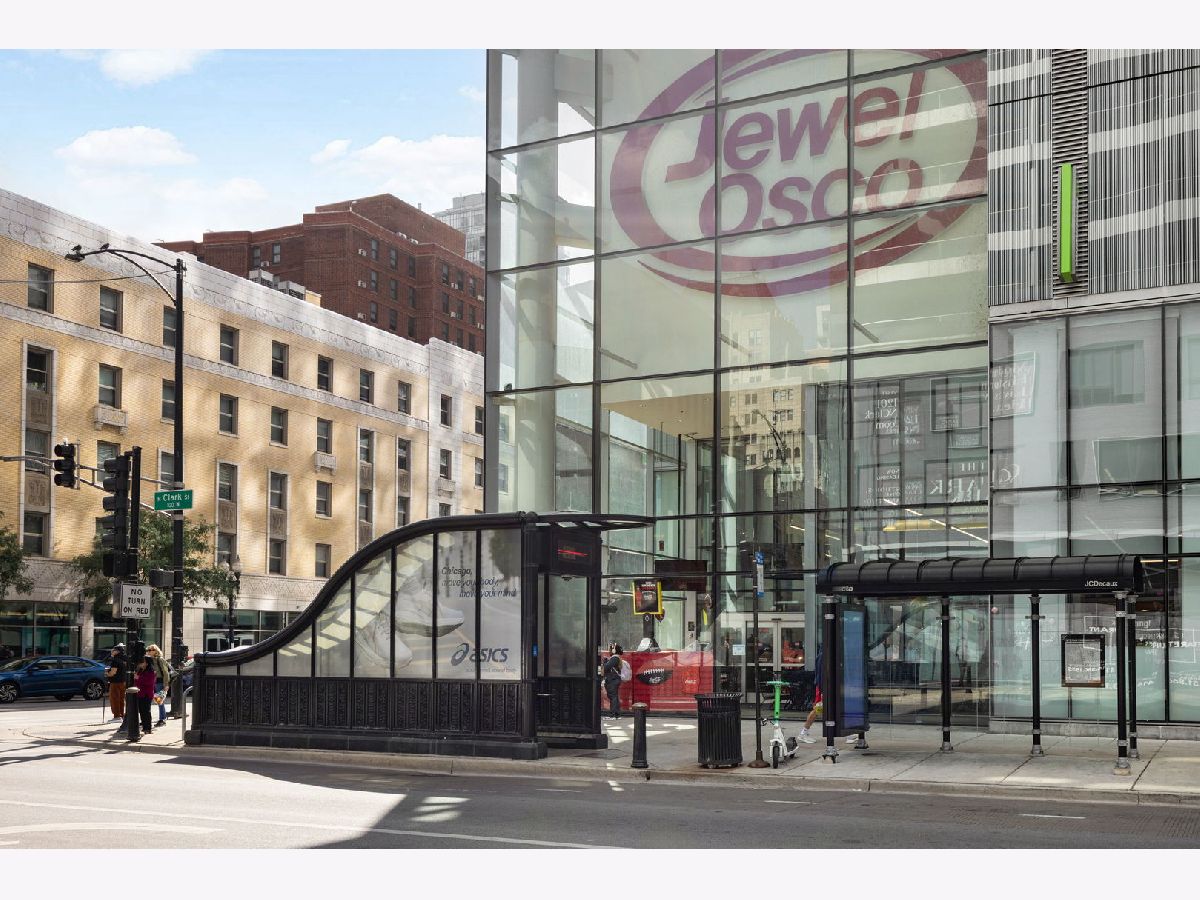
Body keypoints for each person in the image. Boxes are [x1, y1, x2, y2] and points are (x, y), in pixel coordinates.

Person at [145, 644, 171, 726]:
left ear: (155, 651)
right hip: (152, 682)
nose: (148, 652)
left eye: (150, 650)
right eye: (148, 650)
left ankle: (162, 719)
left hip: (159, 682)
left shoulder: (160, 659)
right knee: (154, 700)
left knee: (159, 701)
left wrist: (166, 684)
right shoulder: (149, 660)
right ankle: (149, 719)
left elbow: (166, 673)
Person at [131, 656, 156, 737]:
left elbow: (149, 682)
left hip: (147, 694)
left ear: (147, 663)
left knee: (146, 711)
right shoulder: (140, 670)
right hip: (140, 693)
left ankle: (148, 728)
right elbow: (136, 680)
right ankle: (144, 727)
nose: (141, 663)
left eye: (143, 662)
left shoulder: (151, 671)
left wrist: (138, 678)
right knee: (141, 711)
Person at [105, 644, 127, 723]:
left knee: (114, 699)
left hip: (115, 682)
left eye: (113, 650)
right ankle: (122, 715)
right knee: (121, 699)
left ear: (117, 651)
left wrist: (107, 673)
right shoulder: (125, 659)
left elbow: (113, 672)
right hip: (123, 681)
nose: (112, 651)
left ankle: (117, 716)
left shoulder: (115, 660)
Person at [601, 643, 624, 719]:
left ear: (614, 650)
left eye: (610, 649)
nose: (609, 651)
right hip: (614, 679)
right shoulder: (616, 658)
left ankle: (613, 714)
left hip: (612, 680)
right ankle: (616, 714)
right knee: (614, 697)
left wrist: (604, 662)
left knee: (613, 697)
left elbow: (606, 667)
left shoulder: (615, 658)